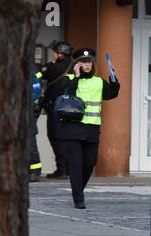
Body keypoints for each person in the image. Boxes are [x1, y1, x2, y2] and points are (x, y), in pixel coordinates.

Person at [58, 48, 120, 209]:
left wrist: (114, 80)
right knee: (75, 164)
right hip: (71, 129)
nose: (86, 64)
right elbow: (66, 93)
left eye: (89, 62)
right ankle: (78, 199)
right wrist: (76, 77)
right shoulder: (68, 79)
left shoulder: (98, 81)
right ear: (76, 64)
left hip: (91, 129)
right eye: (83, 62)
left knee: (89, 163)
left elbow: (111, 94)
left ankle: (78, 190)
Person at [37, 40, 74, 179]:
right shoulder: (73, 66)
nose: (53, 54)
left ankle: (62, 170)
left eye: (54, 52)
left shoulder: (55, 68)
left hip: (56, 108)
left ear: (59, 53)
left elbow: (38, 75)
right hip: (70, 109)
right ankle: (68, 169)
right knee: (66, 139)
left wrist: (44, 67)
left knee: (55, 137)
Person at [29, 73, 43, 182]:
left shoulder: (31, 73)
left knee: (30, 143)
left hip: (28, 112)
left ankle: (35, 170)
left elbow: (37, 92)